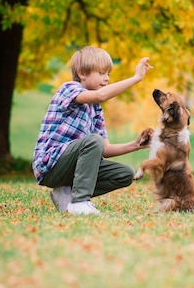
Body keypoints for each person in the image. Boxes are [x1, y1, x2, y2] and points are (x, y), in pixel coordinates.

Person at [32, 46, 153, 215]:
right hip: (50, 165)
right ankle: (80, 202)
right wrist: (136, 78)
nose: (107, 78)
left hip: (72, 167)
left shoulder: (95, 109)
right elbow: (101, 95)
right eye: (102, 73)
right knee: (93, 139)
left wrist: (136, 144)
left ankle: (66, 194)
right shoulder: (69, 89)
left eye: (108, 74)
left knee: (125, 173)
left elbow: (105, 150)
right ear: (82, 73)